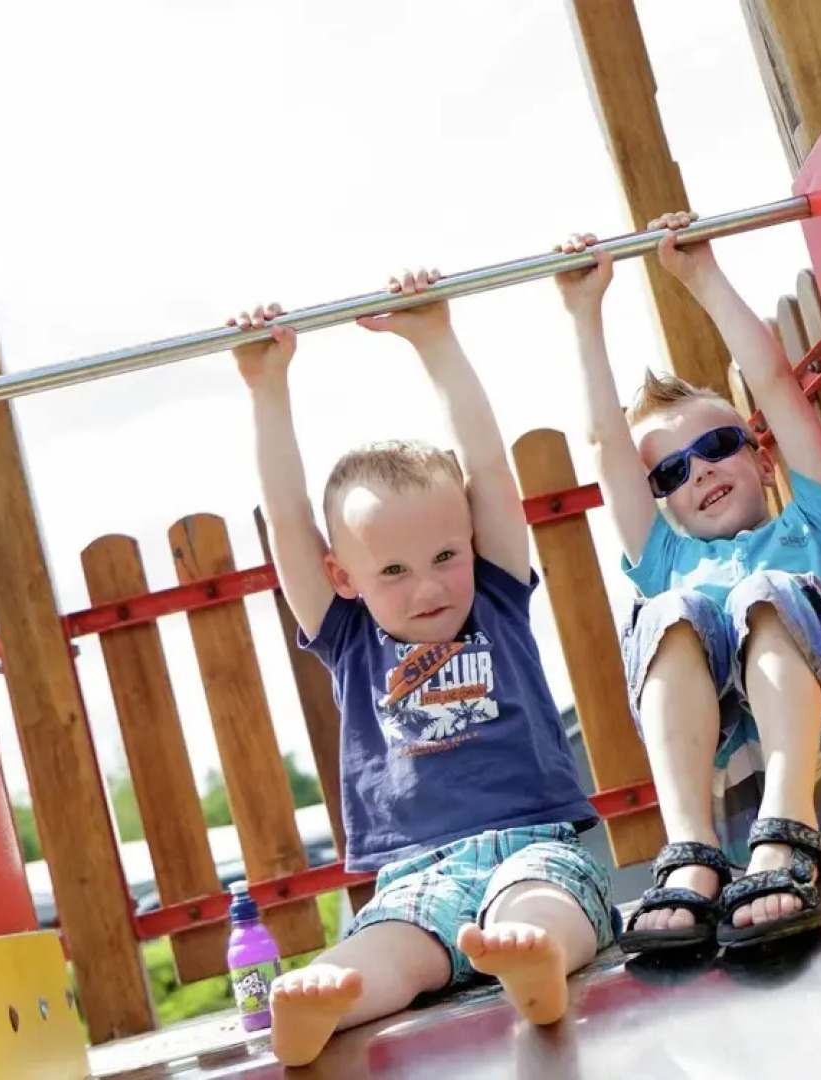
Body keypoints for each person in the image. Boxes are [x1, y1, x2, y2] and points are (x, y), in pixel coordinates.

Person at [229, 270, 614, 1068]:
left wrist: (436, 340)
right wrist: (267, 391)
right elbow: (290, 525)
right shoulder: (347, 636)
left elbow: (489, 468)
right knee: (390, 949)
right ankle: (327, 1001)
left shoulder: (496, 594)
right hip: (411, 873)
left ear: (470, 540)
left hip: (528, 843)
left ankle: (538, 962)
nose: (430, 587)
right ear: (344, 577)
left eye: (445, 556)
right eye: (395, 572)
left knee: (544, 902)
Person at [551, 211, 821, 956]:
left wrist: (701, 276)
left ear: (764, 461)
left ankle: (789, 827)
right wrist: (583, 312)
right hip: (725, 800)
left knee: (765, 595)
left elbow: (772, 382)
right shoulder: (666, 564)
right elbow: (605, 444)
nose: (700, 469)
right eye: (672, 472)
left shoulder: (814, 525)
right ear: (663, 504)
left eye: (716, 445)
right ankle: (692, 853)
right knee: (668, 614)